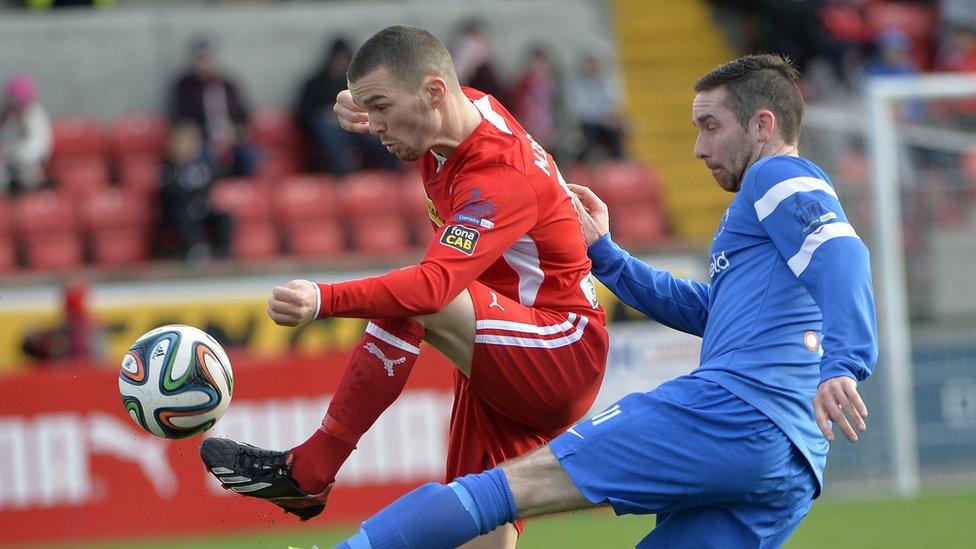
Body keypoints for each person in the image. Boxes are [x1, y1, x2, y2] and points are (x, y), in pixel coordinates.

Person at [331, 54, 879, 549]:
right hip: (791, 464)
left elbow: (844, 253)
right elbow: (710, 311)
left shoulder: (777, 173)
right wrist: (607, 255)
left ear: (764, 124)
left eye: (711, 127)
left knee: (508, 487)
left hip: (734, 414)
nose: (699, 147)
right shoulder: (764, 230)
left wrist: (845, 362)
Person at [200, 25, 609, 547]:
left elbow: (435, 289)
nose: (374, 125)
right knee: (476, 525)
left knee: (422, 294)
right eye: (369, 110)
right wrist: (362, 104)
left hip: (559, 350)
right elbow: (413, 92)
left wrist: (323, 299)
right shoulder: (455, 114)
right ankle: (311, 475)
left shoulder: (500, 173)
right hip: (507, 350)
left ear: (434, 94)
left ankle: (312, 468)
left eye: (381, 109)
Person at [295, 37, 400, 176]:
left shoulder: (359, 83)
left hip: (355, 127)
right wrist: (329, 114)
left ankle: (393, 172)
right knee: (330, 129)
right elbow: (303, 114)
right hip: (323, 136)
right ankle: (346, 171)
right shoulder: (315, 84)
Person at [168, 36, 257, 177]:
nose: (204, 63)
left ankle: (243, 192)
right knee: (202, 156)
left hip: (230, 140)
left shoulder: (228, 85)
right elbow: (181, 120)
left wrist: (233, 134)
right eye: (201, 59)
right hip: (202, 141)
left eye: (208, 59)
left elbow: (243, 117)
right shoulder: (184, 86)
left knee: (250, 155)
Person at [159, 121, 233, 262]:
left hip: (204, 206)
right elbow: (171, 193)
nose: (186, 148)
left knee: (224, 214)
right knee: (186, 218)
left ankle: (225, 252)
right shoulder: (169, 168)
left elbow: (214, 183)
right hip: (181, 210)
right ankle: (194, 249)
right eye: (182, 144)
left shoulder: (204, 166)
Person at [0, 73, 52, 195]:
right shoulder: (6, 115)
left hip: (28, 165)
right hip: (5, 165)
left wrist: (15, 154)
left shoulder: (36, 116)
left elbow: (41, 149)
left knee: (32, 176)